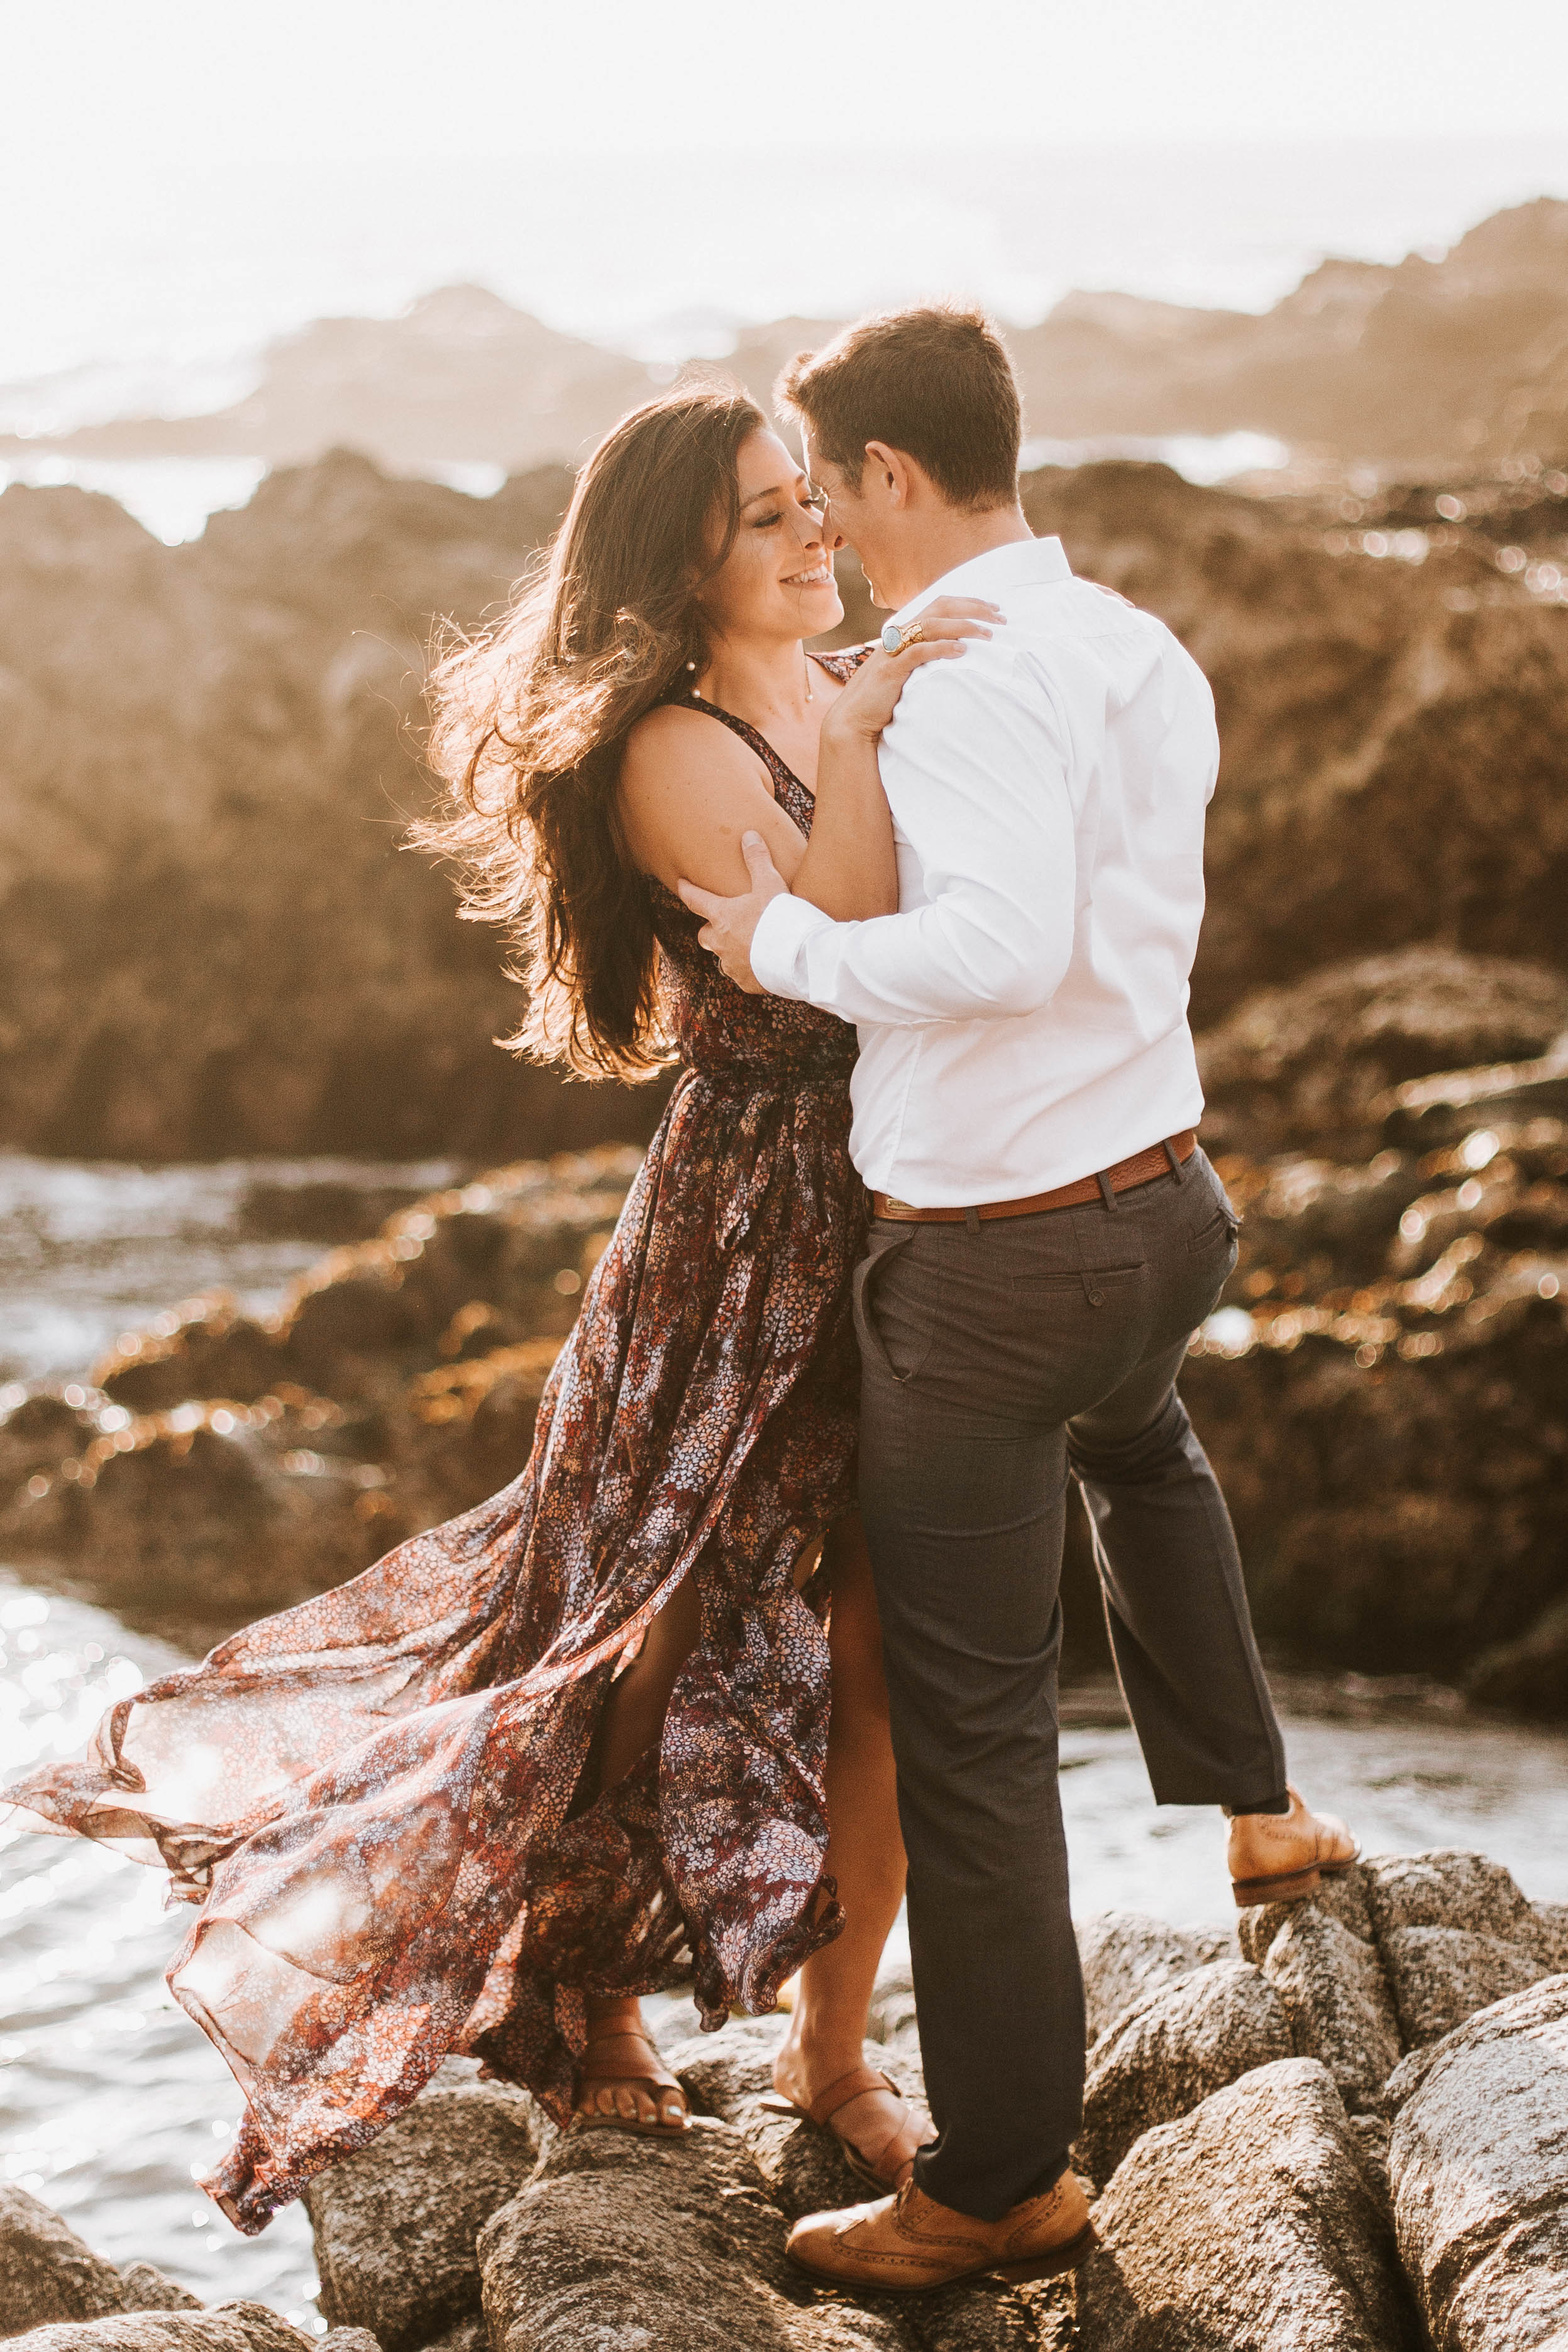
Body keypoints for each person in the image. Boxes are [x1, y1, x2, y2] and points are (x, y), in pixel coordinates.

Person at [3, 386, 997, 2230]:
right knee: (644, 1619)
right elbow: (848, 955)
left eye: (812, 502)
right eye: (769, 513)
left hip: (906, 1206)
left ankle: (833, 2047)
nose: (814, 537)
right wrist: (874, 739)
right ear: (681, 555)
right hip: (746, 1226)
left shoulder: (844, 685)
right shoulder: (670, 749)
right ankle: (589, 1985)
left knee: (887, 1637)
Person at [679, 306, 1359, 2295]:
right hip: (1166, 1206)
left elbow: (992, 941)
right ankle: (1260, 1809)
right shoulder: (1134, 643)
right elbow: (1121, 928)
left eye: (833, 493)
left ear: (890, 475)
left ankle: (993, 2183)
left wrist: (786, 942)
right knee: (1146, 1452)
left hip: (995, 1262)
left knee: (974, 1734)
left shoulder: (966, 673)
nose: (833, 536)